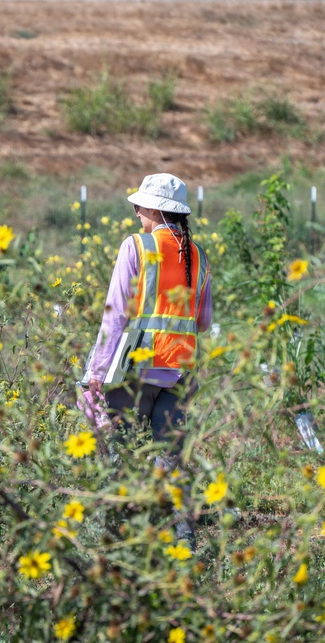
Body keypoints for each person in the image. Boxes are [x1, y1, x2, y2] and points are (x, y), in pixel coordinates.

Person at [83, 172, 212, 544]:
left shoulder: (137, 247)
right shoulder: (197, 254)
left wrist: (97, 370)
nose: (136, 211)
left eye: (139, 205)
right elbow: (202, 320)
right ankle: (183, 542)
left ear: (153, 209)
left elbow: (115, 313)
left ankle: (119, 540)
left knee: (123, 458)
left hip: (134, 372)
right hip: (180, 373)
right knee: (171, 462)